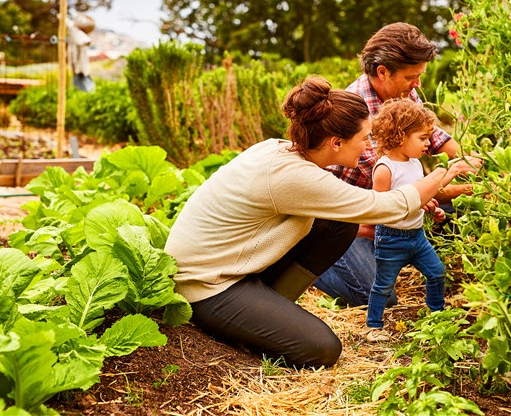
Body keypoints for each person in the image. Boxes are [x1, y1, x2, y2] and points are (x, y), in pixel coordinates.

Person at [164, 77, 481, 368]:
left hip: (233, 265)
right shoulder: (295, 176)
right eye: (364, 138)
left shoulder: (285, 153)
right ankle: (247, 325)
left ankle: (270, 304)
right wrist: (446, 172)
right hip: (207, 286)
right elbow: (387, 207)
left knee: (337, 224)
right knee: (322, 349)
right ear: (336, 143)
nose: (369, 146)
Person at [314, 22, 471, 307]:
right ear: (383, 72)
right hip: (348, 222)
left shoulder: (401, 94)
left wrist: (469, 159)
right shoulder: (356, 115)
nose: (418, 85)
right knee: (381, 297)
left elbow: (436, 138)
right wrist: (463, 183)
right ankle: (313, 264)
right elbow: (405, 193)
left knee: (459, 210)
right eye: (412, 77)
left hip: (386, 210)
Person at [365, 99, 472, 342]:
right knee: (383, 285)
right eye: (423, 138)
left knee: (436, 273)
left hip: (417, 236)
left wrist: (429, 206)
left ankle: (437, 313)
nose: (428, 144)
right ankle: (373, 325)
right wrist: (447, 175)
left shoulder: (414, 163)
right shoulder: (385, 169)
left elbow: (419, 194)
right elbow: (382, 208)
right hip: (391, 238)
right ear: (401, 136)